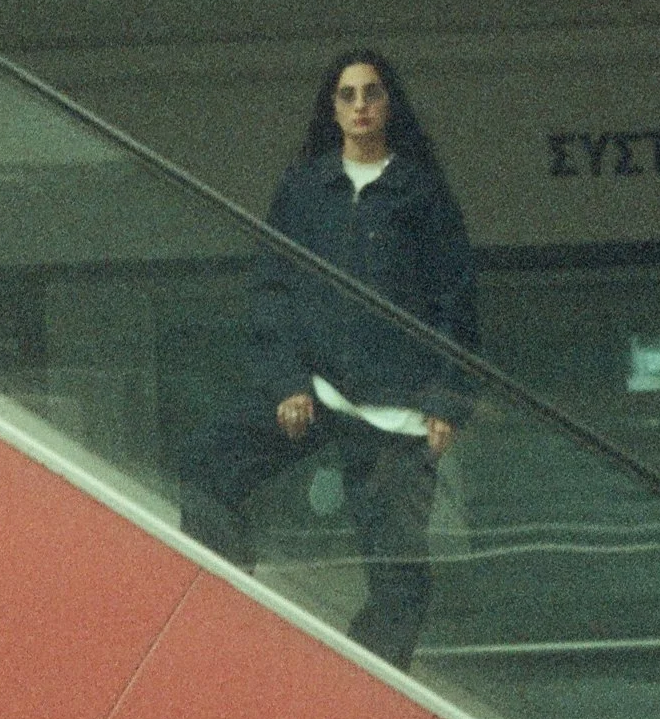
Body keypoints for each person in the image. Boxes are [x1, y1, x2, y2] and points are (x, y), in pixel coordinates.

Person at [179, 52, 477, 670]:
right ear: (333, 108)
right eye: (348, 95)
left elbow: (456, 302)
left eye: (372, 92)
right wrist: (287, 383)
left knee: (397, 564)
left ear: (389, 103)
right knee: (207, 461)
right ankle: (229, 591)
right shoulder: (303, 190)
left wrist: (446, 402)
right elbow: (272, 293)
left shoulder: (422, 193)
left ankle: (367, 674)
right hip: (314, 392)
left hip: (393, 413)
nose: (362, 105)